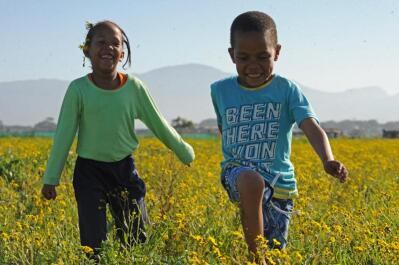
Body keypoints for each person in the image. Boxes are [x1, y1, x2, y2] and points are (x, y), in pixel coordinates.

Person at [41, 20, 194, 257]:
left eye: (115, 43)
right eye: (101, 42)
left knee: (136, 236)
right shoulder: (78, 90)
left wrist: (184, 151)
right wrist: (51, 178)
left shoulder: (134, 88)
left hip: (124, 169)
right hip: (89, 172)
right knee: (94, 244)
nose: (109, 48)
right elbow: (64, 135)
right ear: (87, 50)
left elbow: (159, 123)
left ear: (122, 52)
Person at [210, 11, 348, 261]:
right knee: (251, 182)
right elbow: (225, 128)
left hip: (280, 184)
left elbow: (311, 125)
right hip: (237, 172)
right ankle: (256, 260)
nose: (253, 65)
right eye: (243, 57)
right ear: (231, 55)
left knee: (276, 253)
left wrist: (327, 159)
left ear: (277, 51)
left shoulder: (287, 90)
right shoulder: (220, 90)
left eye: (263, 56)